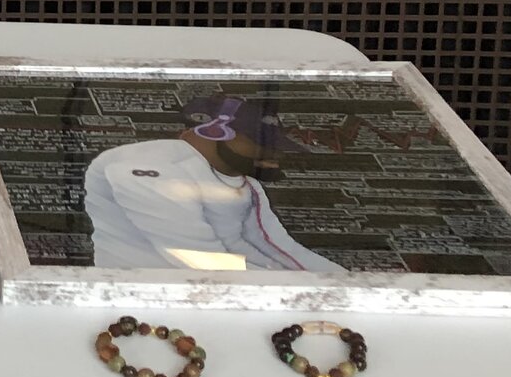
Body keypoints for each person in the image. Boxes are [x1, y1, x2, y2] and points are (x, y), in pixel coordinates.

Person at [82, 94, 343, 275]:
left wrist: (342, 281)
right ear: (215, 131)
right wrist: (294, 288)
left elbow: (274, 245)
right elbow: (199, 257)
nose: (273, 154)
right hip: (140, 298)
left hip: (220, 289)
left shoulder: (244, 183)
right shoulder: (153, 168)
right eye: (260, 143)